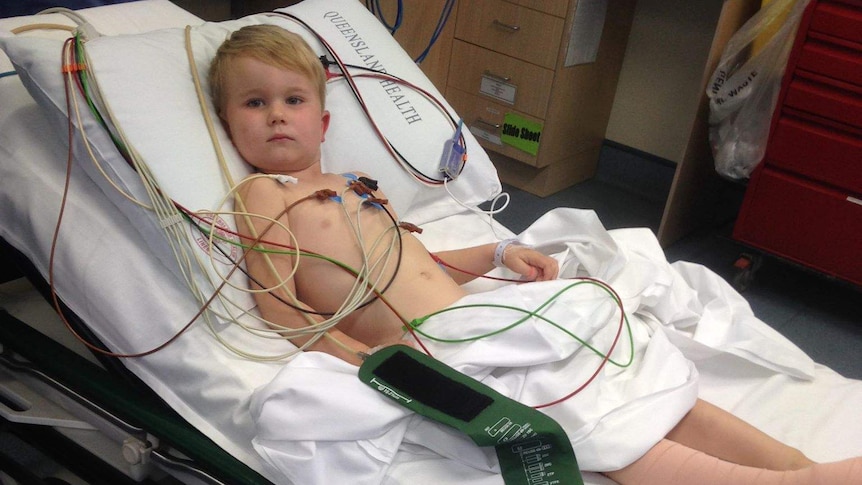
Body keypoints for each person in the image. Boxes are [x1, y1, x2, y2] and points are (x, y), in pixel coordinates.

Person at [209, 24, 861, 484]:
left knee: (630, 375)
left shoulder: (353, 184)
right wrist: (374, 365)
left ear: (323, 120)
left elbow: (420, 263)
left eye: (293, 100)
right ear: (228, 120)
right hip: (428, 345)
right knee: (577, 410)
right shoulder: (264, 194)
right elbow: (283, 311)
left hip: (476, 314)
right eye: (254, 103)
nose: (275, 116)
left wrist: (499, 249)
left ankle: (792, 462)